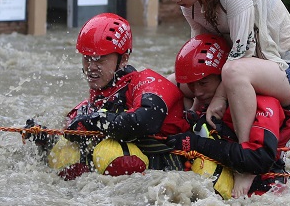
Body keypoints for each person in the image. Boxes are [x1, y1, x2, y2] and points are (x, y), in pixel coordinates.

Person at [154, 0, 290, 197]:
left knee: (234, 73)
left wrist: (219, 98)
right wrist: (193, 99)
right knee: (175, 80)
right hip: (244, 67)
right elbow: (202, 54)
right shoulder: (190, 2)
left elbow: (242, 55)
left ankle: (246, 161)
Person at [23, 12, 190, 180]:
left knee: (112, 154)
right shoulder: (94, 101)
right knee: (64, 151)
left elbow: (147, 120)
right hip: (114, 181)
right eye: (86, 59)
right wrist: (44, 139)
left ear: (123, 59)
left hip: (166, 167)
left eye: (100, 60)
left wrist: (96, 122)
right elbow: (72, 131)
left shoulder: (147, 83)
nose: (91, 68)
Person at [164, 34, 290, 199]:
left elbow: (258, 159)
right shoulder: (203, 95)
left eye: (203, 83)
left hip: (261, 175)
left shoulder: (263, 103)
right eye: (192, 84)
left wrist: (195, 143)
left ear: (222, 78)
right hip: (224, 162)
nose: (197, 92)